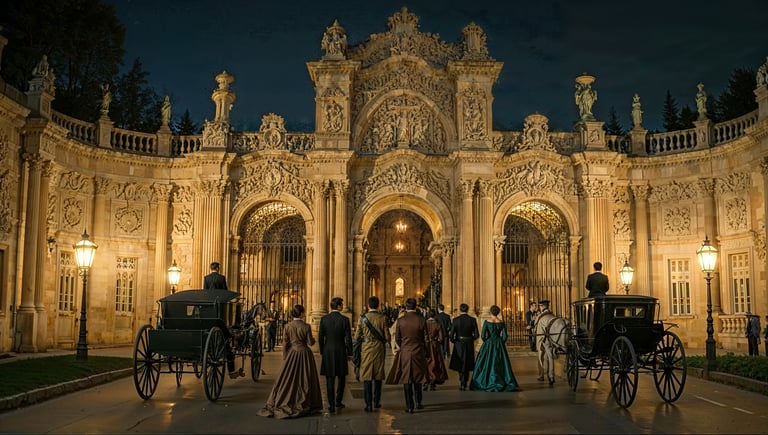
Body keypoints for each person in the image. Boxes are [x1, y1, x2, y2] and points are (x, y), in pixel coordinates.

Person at [258, 304, 323, 419]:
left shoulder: (287, 326)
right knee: (305, 378)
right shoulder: (306, 326)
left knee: (287, 379)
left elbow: (285, 343)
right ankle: (307, 402)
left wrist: (285, 357)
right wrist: (313, 340)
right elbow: (310, 342)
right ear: (302, 313)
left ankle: (285, 399)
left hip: (292, 354)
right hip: (304, 354)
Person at [386, 297, 429, 413]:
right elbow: (425, 338)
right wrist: (425, 350)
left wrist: (404, 346)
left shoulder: (401, 321)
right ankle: (418, 403)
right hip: (418, 351)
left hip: (405, 352)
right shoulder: (421, 320)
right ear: (415, 306)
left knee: (406, 378)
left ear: (406, 306)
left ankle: (409, 406)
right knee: (418, 378)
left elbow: (398, 338)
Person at [470, 305, 521, 392]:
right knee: (500, 363)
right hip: (498, 343)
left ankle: (486, 381)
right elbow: (505, 336)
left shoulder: (487, 322)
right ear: (498, 312)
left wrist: (487, 341)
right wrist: (500, 342)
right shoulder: (501, 322)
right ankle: (500, 380)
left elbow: (482, 336)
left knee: (486, 362)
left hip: (489, 343)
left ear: (491, 312)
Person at [354, 296, 390, 412]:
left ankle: (368, 404)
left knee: (367, 376)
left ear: (368, 306)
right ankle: (376, 402)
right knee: (378, 375)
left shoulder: (362, 318)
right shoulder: (383, 318)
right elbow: (387, 337)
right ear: (378, 305)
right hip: (379, 348)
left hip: (366, 349)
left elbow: (356, 336)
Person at [318, 297, 353, 413]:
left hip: (328, 350)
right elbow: (348, 339)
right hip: (341, 350)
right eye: (341, 304)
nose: (342, 306)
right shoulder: (345, 320)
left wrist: (322, 351)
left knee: (329, 378)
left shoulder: (324, 319)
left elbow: (320, 337)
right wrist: (350, 353)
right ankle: (338, 401)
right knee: (341, 377)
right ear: (338, 306)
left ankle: (331, 404)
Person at [449, 303, 479, 391]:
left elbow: (451, 335)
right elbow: (477, 334)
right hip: (468, 342)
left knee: (460, 362)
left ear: (460, 309)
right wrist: (471, 339)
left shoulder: (455, 320)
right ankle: (465, 381)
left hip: (459, 342)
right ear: (468, 309)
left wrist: (454, 341)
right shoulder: (472, 320)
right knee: (467, 362)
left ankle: (461, 379)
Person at [425, 308, 449, 391]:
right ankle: (433, 381)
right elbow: (441, 338)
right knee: (435, 361)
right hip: (434, 345)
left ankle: (426, 380)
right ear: (434, 315)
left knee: (426, 362)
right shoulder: (437, 325)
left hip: (426, 345)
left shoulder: (424, 324)